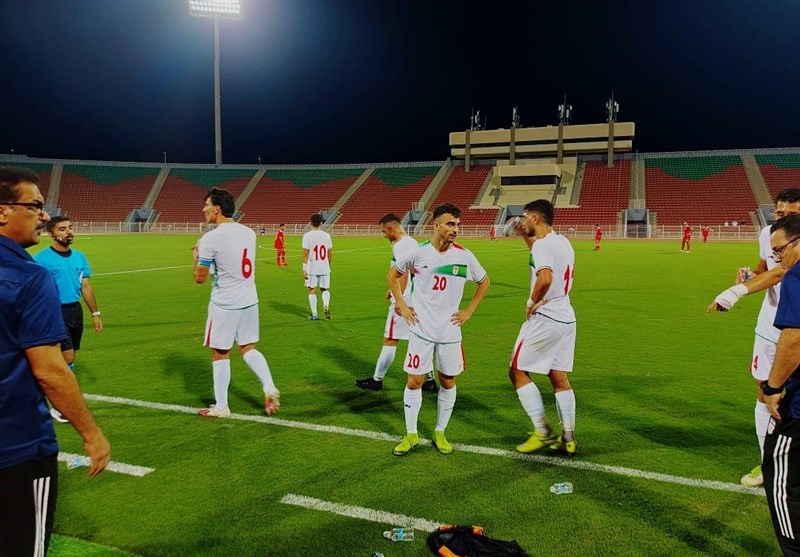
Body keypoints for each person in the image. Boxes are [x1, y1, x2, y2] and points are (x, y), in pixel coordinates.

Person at [0, 167, 110, 557]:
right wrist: (92, 434)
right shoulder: (28, 276)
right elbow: (48, 370)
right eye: (35, 206)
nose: (43, 216)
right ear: (2, 211)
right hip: (18, 447)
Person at [708, 188, 800, 487]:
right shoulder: (768, 235)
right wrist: (748, 277)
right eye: (780, 213)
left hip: (795, 330)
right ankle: (768, 463)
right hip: (770, 329)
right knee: (764, 395)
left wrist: (734, 293)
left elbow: (780, 272)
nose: (783, 218)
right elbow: (766, 269)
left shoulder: (795, 242)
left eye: (792, 214)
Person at [388, 204, 490, 456]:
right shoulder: (418, 253)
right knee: (414, 381)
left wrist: (469, 310)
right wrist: (402, 304)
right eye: (450, 224)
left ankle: (440, 431)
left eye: (457, 225)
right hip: (421, 329)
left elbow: (484, 282)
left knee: (447, 380)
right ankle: (411, 434)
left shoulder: (465, 256)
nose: (455, 229)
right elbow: (393, 276)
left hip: (449, 332)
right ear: (435, 225)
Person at [193, 187, 280, 418]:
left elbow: (200, 278)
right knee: (248, 348)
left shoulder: (210, 239)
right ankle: (268, 385)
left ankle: (222, 406)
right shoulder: (249, 233)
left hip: (225, 304)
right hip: (249, 300)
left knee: (220, 354)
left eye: (207, 205)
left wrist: (196, 258)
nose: (204, 209)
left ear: (217, 209)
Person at [508, 199, 578, 456]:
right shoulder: (562, 241)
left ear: (536, 218)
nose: (523, 220)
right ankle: (568, 437)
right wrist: (524, 237)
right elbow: (541, 257)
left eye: (525, 216)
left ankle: (543, 431)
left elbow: (545, 277)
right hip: (566, 317)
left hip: (546, 318)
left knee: (517, 371)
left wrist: (531, 302)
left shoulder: (543, 245)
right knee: (558, 377)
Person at [355, 214, 437, 393]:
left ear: (391, 228)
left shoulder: (400, 245)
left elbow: (404, 274)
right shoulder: (411, 242)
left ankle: (377, 380)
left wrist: (399, 300)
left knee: (390, 339)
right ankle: (430, 380)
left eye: (384, 231)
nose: (383, 235)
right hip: (417, 298)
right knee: (419, 338)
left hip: (405, 300)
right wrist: (391, 289)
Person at [33, 216, 104, 423]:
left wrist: (95, 314)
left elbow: (86, 286)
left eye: (70, 227)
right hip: (53, 311)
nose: (69, 232)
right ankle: (61, 405)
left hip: (75, 311)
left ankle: (44, 390)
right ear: (52, 234)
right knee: (68, 357)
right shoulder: (40, 259)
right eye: (62, 229)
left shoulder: (80, 257)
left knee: (67, 359)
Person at [761, 214, 800, 556]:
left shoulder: (797, 276)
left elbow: (794, 339)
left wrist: (772, 387)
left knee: (781, 477)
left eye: (780, 250)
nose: (778, 258)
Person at [302, 213, 333, 320]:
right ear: (321, 223)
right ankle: (326, 305)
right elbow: (330, 253)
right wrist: (328, 265)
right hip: (324, 267)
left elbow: (305, 253)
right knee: (325, 289)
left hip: (312, 268)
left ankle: (314, 314)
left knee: (312, 290)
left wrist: (304, 269)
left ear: (311, 222)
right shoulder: (327, 235)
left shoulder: (307, 236)